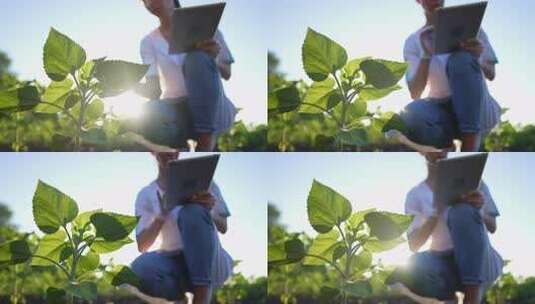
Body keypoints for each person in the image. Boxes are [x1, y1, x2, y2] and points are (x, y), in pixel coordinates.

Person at [390, 152, 503, 304]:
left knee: (461, 211)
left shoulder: (476, 182)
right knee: (402, 273)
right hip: (442, 262)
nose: (438, 152)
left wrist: (478, 209)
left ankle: (472, 296)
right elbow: (414, 244)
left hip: (480, 259)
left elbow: (493, 226)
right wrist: (436, 212)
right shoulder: (415, 194)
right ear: (422, 152)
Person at [131, 152, 233, 304]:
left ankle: (201, 297)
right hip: (173, 263)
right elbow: (142, 245)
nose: (170, 153)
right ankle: (180, 298)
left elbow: (223, 227)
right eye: (163, 149)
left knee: (192, 211)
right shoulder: (146, 194)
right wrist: (161, 216)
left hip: (211, 261)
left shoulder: (206, 182)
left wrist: (208, 209)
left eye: (174, 149)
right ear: (153, 152)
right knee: (140, 268)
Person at [400, 0, 501, 152]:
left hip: (475, 108)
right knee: (410, 116)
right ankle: (445, 145)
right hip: (440, 110)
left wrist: (477, 57)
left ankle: (469, 147)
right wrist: (426, 54)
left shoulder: (473, 28)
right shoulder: (413, 41)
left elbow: (491, 74)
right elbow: (415, 93)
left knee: (461, 59)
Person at [136, 0, 237, 151]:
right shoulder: (148, 42)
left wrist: (213, 58)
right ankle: (178, 147)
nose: (150, 2)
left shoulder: (209, 28)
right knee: (148, 113)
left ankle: (206, 138)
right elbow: (153, 90)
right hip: (176, 109)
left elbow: (227, 73)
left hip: (213, 109)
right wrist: (125, 84)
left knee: (196, 58)